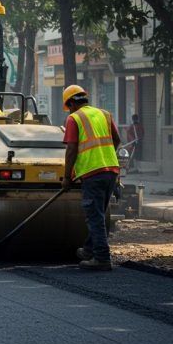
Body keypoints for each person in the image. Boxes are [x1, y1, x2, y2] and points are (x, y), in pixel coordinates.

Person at [61, 84, 120, 271]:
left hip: (92, 172)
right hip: (111, 170)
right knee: (98, 214)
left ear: (71, 103)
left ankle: (102, 258)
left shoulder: (74, 118)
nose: (69, 109)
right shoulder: (104, 114)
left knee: (94, 217)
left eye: (68, 106)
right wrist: (106, 155)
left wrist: (66, 177)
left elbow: (71, 150)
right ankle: (88, 250)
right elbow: (117, 139)